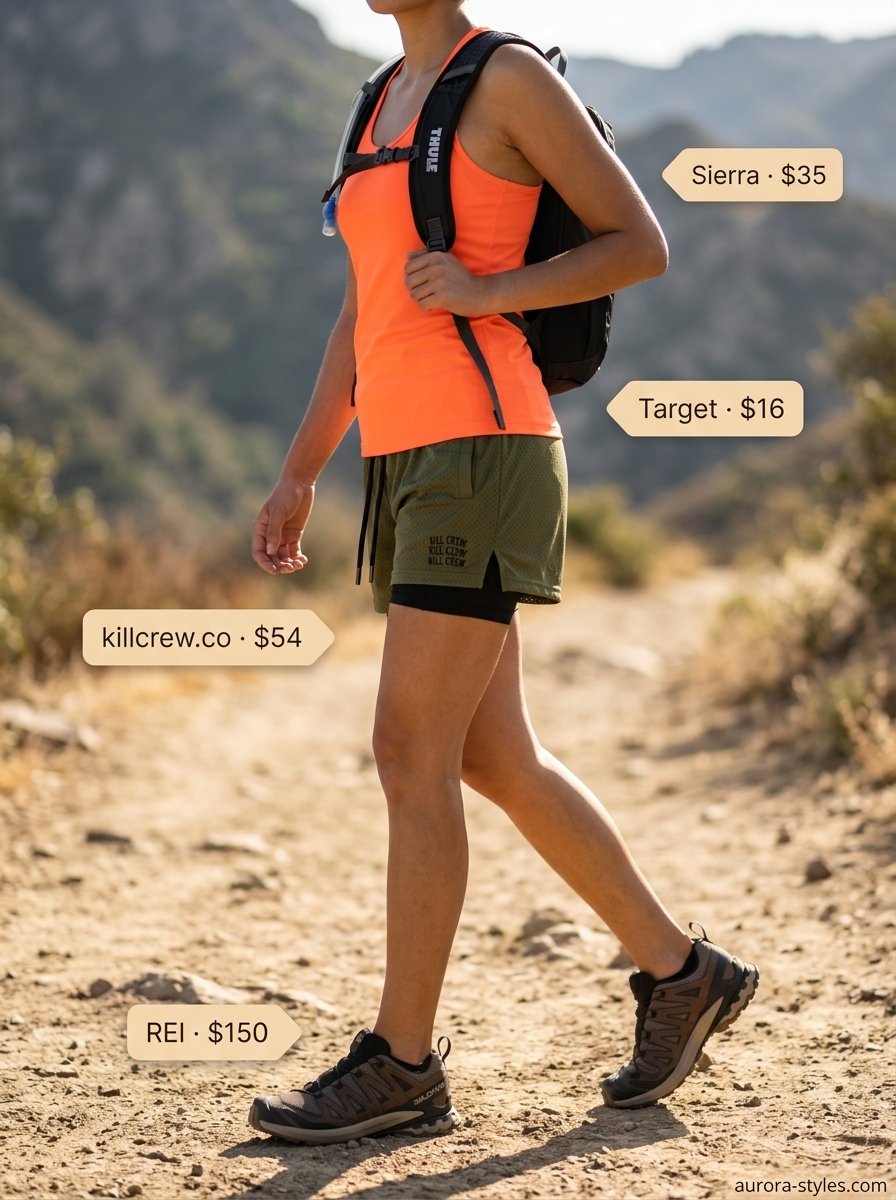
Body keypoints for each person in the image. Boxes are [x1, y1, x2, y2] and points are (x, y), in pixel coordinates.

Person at [247, 0, 758, 1143]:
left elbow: (640, 242)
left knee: (406, 749)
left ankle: (403, 1065)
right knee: (491, 752)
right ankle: (684, 976)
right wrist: (298, 474)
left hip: (487, 447)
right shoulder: (379, 101)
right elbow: (359, 312)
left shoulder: (507, 78)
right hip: (409, 456)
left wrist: (486, 295)